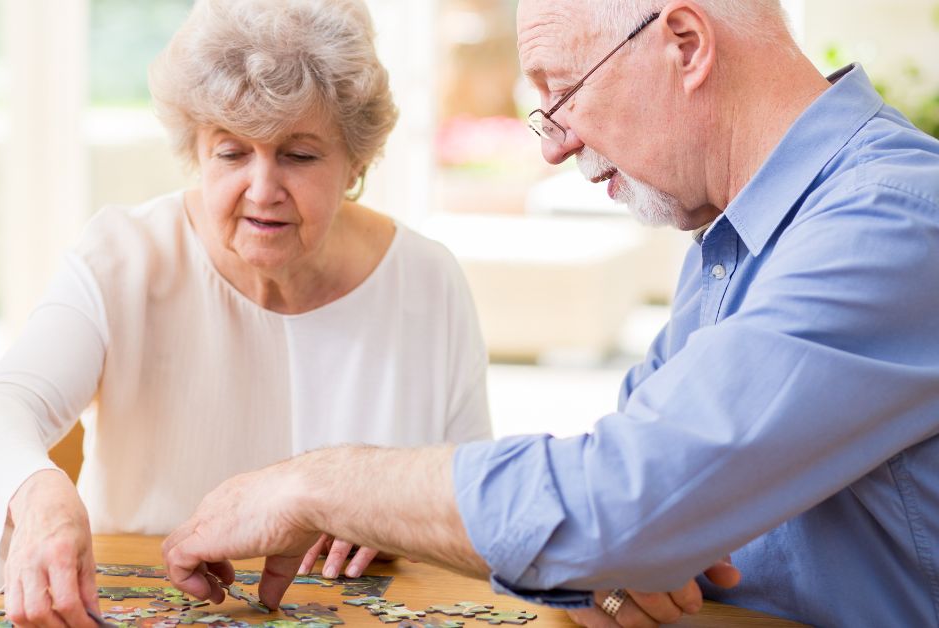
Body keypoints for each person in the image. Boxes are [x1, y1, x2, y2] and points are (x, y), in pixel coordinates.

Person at [161, 0, 939, 626]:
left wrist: (315, 484)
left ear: (686, 44)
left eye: (561, 92)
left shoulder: (894, 220)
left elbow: (614, 499)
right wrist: (606, 571)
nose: (553, 147)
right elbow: (628, 516)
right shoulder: (730, 239)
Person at [0, 0, 494, 626]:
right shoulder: (123, 257)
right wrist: (40, 493)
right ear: (195, 150)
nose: (262, 190)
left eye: (300, 154)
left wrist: (396, 508)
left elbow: (478, 503)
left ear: (356, 162)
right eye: (232, 153)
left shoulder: (427, 280)